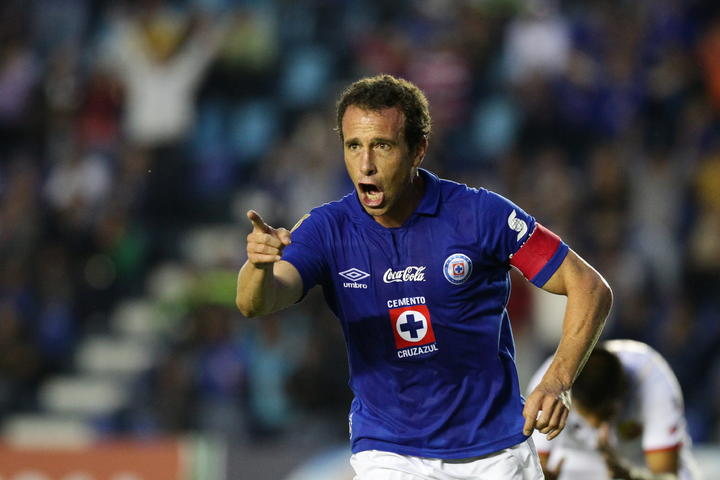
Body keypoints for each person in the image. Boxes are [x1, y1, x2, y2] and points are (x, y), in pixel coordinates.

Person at [236, 74, 612, 479]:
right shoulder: (328, 229)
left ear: (418, 150)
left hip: (496, 452)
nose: (366, 164)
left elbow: (589, 287)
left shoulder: (479, 214)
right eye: (354, 146)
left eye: (382, 145)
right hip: (389, 452)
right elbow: (256, 302)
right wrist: (258, 266)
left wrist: (558, 380)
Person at [527, 339, 704, 480]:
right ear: (570, 399)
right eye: (588, 417)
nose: (598, 429)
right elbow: (537, 465)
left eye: (606, 415)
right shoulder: (552, 385)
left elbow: (667, 475)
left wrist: (628, 474)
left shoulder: (650, 378)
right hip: (571, 468)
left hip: (640, 466)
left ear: (624, 391)